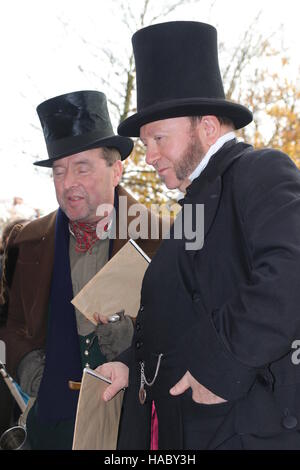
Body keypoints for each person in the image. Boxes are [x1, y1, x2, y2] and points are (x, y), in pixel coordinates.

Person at [96, 22, 300, 450]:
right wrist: (130, 365)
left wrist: (219, 366)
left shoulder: (261, 171)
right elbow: (179, 317)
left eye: (157, 138)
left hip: (242, 428)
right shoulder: (191, 205)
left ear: (206, 126)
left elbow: (291, 274)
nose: (148, 156)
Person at [0, 90, 162, 449]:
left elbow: (184, 334)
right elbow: (10, 326)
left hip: (128, 429)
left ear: (116, 169)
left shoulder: (161, 239)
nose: (68, 181)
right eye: (59, 171)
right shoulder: (26, 242)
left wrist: (135, 338)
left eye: (82, 167)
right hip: (48, 429)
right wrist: (26, 364)